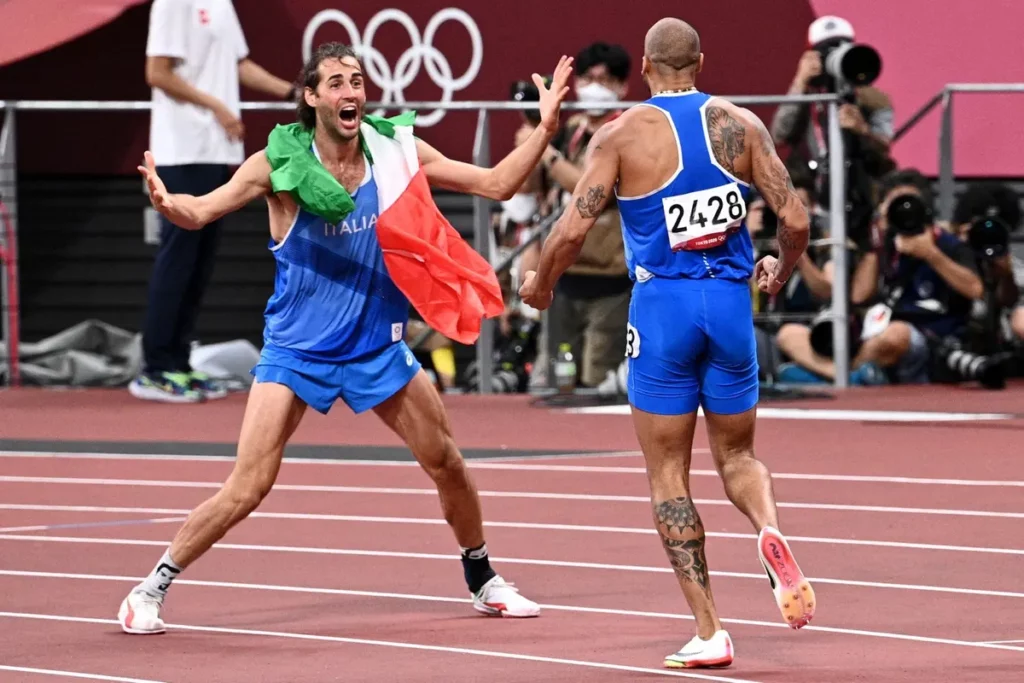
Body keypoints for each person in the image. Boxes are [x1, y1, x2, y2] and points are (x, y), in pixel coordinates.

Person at [118, 42, 576, 634]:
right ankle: (149, 589)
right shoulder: (276, 164)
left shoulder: (393, 151)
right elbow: (200, 211)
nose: (350, 91)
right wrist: (167, 201)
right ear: (311, 98)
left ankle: (483, 579)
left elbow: (496, 184)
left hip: (375, 350)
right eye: (335, 82)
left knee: (448, 464)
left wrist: (544, 129)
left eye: (356, 81)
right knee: (248, 485)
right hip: (295, 351)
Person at [520, 18, 816, 669]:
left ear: (647, 69)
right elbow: (795, 218)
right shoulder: (743, 125)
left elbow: (573, 228)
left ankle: (710, 628)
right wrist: (779, 267)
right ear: (701, 62)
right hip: (732, 305)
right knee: (738, 455)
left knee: (667, 474)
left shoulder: (621, 135)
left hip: (662, 311)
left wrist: (540, 284)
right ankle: (767, 524)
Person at [132, 0, 297, 403]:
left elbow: (237, 64)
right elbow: (157, 72)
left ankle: (179, 362)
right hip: (182, 150)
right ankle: (155, 368)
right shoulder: (172, 4)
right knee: (178, 258)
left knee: (199, 262)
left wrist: (294, 93)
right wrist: (219, 107)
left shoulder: (220, 4)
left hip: (215, 151)